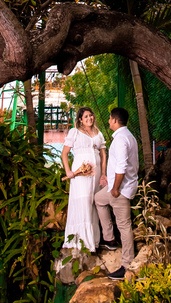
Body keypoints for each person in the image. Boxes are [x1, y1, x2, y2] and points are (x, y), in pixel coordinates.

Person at [94, 106, 138, 279]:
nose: (109, 120)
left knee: (124, 225)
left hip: (120, 190)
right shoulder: (127, 136)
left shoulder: (121, 140)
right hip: (116, 187)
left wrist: (114, 189)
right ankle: (109, 238)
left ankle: (127, 265)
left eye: (110, 118)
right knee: (98, 199)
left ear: (114, 120)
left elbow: (121, 168)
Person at [61, 107, 107, 252]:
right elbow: (64, 153)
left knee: (94, 202)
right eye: (86, 116)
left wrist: (103, 173)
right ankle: (81, 241)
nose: (89, 118)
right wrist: (68, 171)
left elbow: (103, 155)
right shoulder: (74, 132)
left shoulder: (98, 133)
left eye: (91, 115)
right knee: (84, 201)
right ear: (80, 119)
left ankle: (93, 240)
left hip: (96, 173)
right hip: (81, 175)